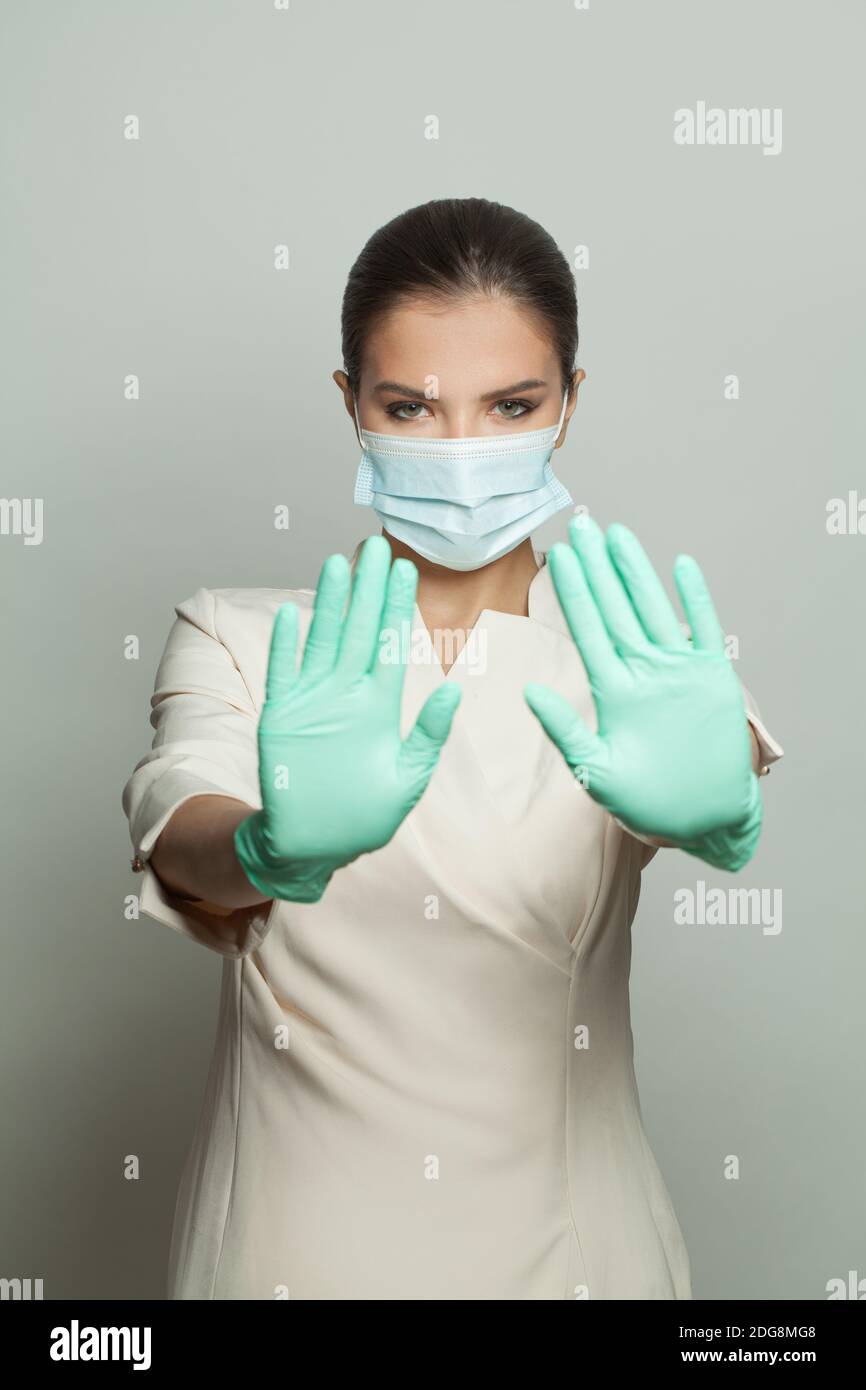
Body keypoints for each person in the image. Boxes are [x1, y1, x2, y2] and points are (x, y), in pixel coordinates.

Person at [121, 197, 783, 1300]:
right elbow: (178, 824)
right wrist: (264, 851)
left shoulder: (633, 669)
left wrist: (720, 810)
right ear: (351, 405)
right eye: (412, 406)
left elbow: (716, 771)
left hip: (578, 1259)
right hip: (291, 1257)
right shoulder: (242, 637)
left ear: (568, 404)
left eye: (510, 403)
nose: (463, 448)